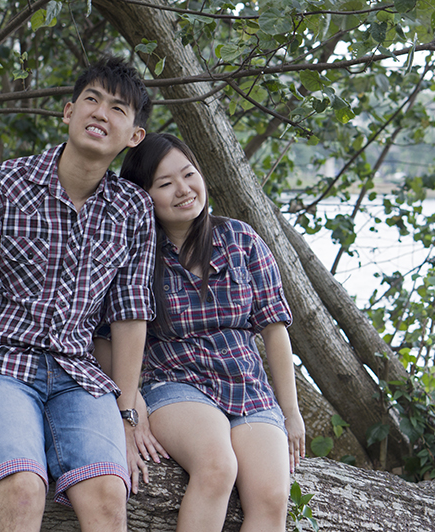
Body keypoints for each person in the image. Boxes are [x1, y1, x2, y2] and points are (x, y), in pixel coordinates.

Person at [0, 56, 155, 532]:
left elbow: (129, 315)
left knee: (109, 498)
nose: (101, 114)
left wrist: (127, 417)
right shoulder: (2, 185)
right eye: (92, 99)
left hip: (78, 376)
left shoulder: (134, 209)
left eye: (118, 108)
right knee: (24, 490)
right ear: (68, 112)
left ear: (134, 136)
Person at [111, 132, 306, 532]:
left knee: (272, 496)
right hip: (175, 384)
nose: (183, 190)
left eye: (188, 174)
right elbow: (104, 336)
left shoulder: (241, 239)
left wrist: (292, 412)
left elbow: (274, 329)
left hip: (249, 390)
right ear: (142, 195)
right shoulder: (135, 254)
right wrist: (132, 406)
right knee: (218, 467)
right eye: (165, 184)